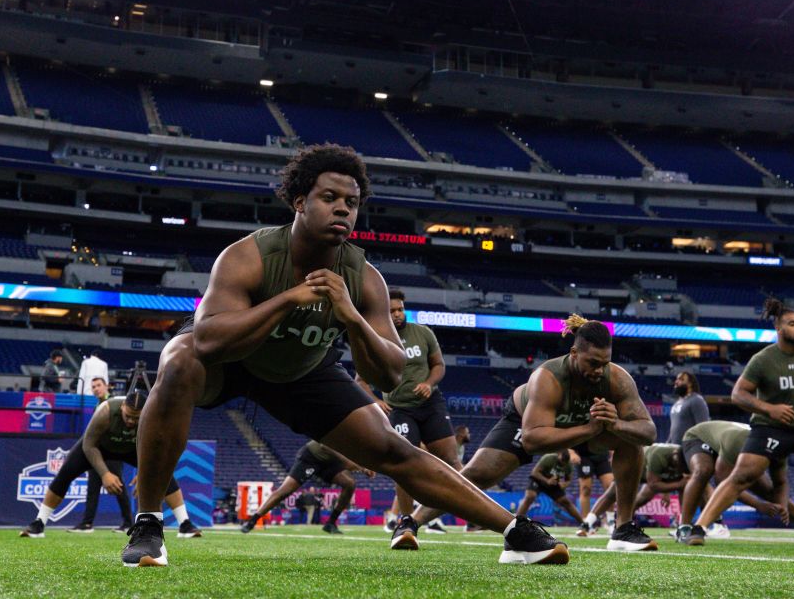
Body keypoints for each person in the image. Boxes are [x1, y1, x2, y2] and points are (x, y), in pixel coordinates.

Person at [123, 144, 566, 568]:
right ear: (299, 201)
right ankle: (149, 524)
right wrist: (288, 300)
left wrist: (352, 318)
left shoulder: (363, 278)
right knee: (178, 359)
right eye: (329, 197)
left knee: (394, 448)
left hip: (301, 370)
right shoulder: (248, 256)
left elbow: (394, 375)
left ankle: (514, 532)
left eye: (351, 203)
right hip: (232, 358)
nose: (342, 209)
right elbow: (208, 341)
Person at [405, 315, 656, 553]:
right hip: (527, 422)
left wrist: (617, 425)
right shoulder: (548, 378)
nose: (599, 370)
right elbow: (532, 440)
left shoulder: (618, 379)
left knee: (631, 441)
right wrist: (588, 429)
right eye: (593, 363)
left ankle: (623, 529)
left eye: (605, 363)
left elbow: (648, 432)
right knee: (478, 475)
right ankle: (411, 522)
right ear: (574, 353)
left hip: (585, 426)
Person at [685, 299, 794, 545]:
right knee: (741, 477)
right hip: (771, 427)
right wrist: (770, 408)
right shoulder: (763, 359)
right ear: (779, 329)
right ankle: (698, 529)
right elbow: (738, 394)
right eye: (793, 324)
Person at [19, 389, 201, 540]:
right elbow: (88, 445)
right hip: (99, 447)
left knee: (164, 474)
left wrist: (146, 472)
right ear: (122, 407)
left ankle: (185, 524)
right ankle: (39, 523)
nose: (131, 421)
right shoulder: (105, 410)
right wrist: (105, 473)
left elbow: (160, 450)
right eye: (128, 416)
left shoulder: (153, 417)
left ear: (145, 412)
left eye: (136, 419)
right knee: (65, 474)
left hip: (133, 449)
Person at [355, 289, 460, 534]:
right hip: (400, 409)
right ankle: (405, 522)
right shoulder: (376, 337)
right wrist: (375, 401)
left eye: (400, 309)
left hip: (431, 403)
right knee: (404, 464)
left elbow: (439, 365)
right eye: (392, 310)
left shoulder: (423, 332)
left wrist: (429, 383)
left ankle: (453, 515)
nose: (398, 314)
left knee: (453, 462)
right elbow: (360, 380)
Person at [676, 420, 794, 545]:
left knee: (769, 491)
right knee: (703, 470)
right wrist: (758, 505)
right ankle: (684, 527)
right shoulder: (737, 442)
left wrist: (781, 504)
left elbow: (780, 484)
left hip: (738, 446)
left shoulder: (778, 450)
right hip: (698, 437)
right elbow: (723, 481)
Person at [240, 440, 375, 535]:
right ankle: (253, 520)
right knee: (285, 491)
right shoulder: (344, 424)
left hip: (330, 461)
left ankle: (331, 523)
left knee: (349, 483)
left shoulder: (359, 432)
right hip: (313, 455)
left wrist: (365, 467)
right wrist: (349, 463)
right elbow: (325, 445)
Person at [578, 443, 688, 534]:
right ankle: (587, 523)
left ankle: (683, 526)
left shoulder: (683, 458)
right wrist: (679, 484)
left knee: (642, 500)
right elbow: (653, 484)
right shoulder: (658, 455)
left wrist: (668, 490)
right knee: (612, 493)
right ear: (674, 456)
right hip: (633, 466)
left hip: (652, 474)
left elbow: (674, 478)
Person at [69, 376, 133, 533]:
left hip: (112, 451)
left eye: (99, 385)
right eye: (93, 386)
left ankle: (129, 523)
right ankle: (87, 523)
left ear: (107, 387)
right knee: (92, 487)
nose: (96, 388)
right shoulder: (98, 405)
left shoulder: (115, 404)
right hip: (97, 452)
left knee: (119, 486)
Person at [514, 450, 585, 526]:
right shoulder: (548, 458)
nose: (563, 463)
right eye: (562, 461)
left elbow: (568, 480)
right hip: (539, 480)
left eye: (565, 462)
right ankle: (516, 521)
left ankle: (584, 524)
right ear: (558, 455)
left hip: (553, 483)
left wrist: (563, 485)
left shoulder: (569, 465)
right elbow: (534, 472)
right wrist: (547, 480)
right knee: (530, 496)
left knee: (565, 501)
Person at [571, 446, 615, 536]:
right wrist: (571, 452)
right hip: (584, 456)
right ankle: (586, 523)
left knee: (610, 486)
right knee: (585, 489)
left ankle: (611, 522)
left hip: (602, 456)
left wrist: (612, 452)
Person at [668, 371, 710, 444]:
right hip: (675, 447)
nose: (676, 382)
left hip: (690, 448)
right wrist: (668, 443)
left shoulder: (696, 400)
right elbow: (673, 430)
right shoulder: (676, 404)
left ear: (690, 384)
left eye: (681, 379)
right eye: (676, 379)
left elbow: (703, 427)